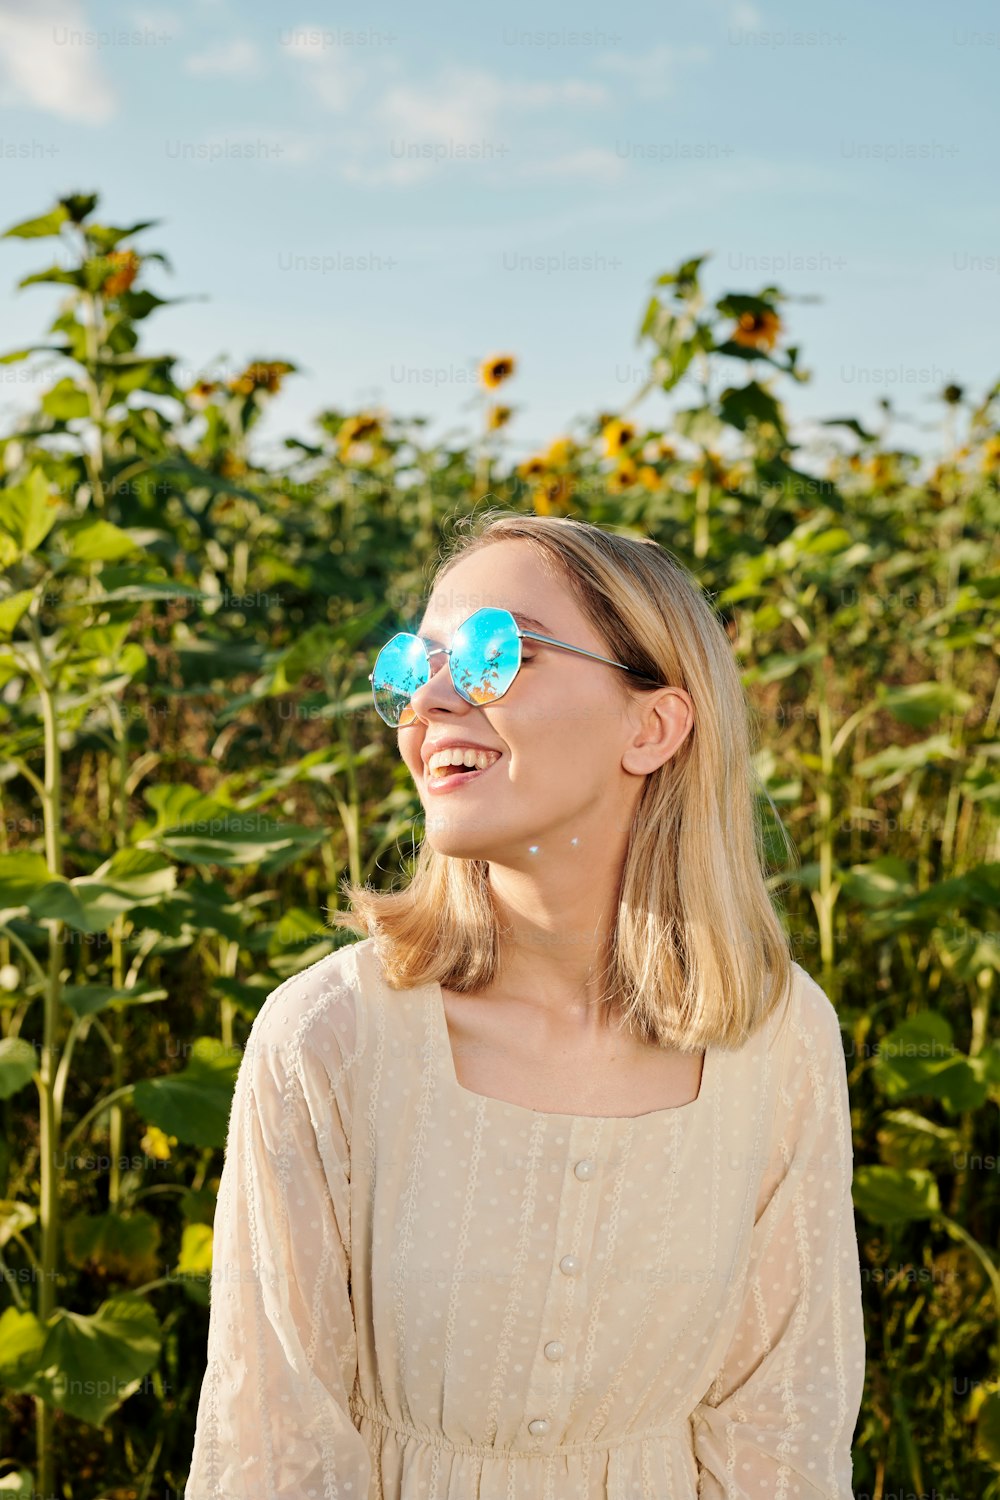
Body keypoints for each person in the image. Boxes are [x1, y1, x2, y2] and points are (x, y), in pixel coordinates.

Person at [184, 511, 866, 1499]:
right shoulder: (327, 1038)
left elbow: (781, 1436)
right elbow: (273, 1453)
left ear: (654, 726)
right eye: (413, 667)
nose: (432, 700)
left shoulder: (779, 1035)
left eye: (496, 655)